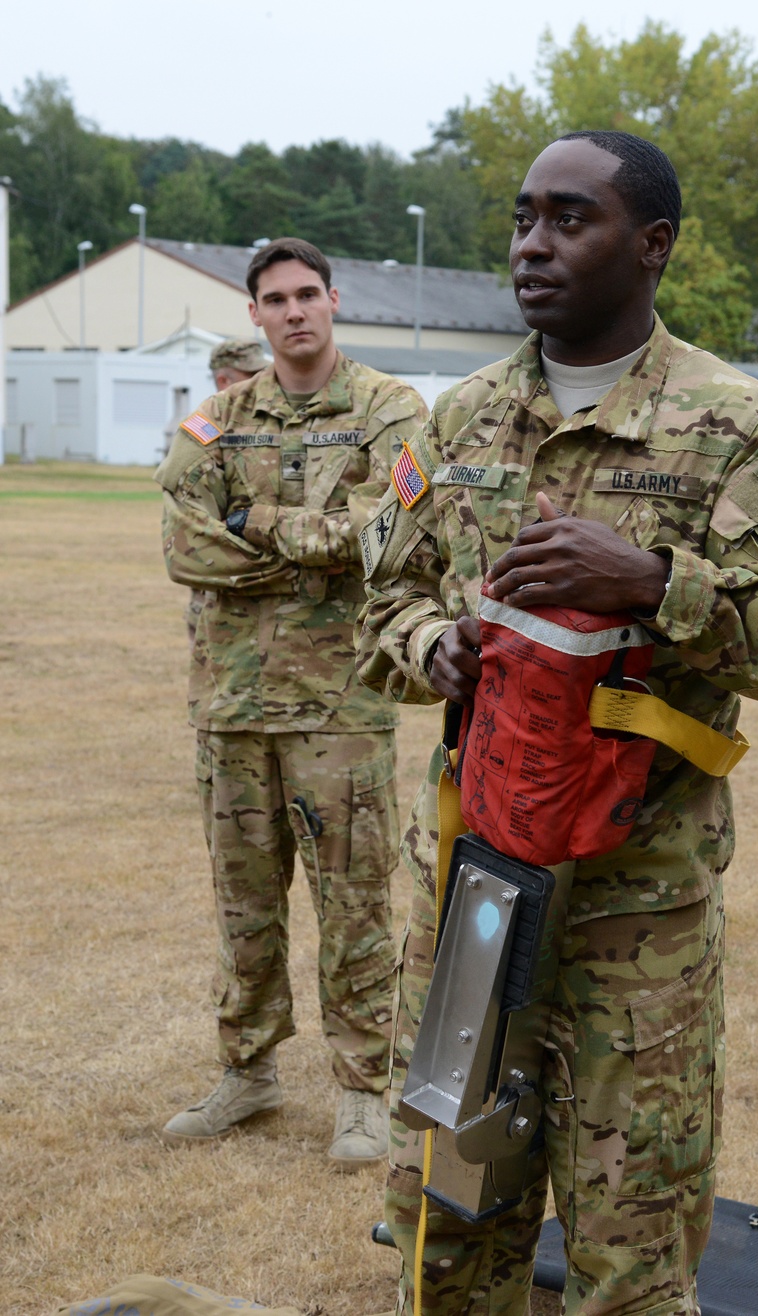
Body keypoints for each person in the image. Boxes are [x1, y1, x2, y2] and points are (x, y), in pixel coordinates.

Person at [356, 132, 758, 1313]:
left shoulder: (735, 426)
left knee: (626, 1245)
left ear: (652, 246)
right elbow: (386, 598)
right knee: (449, 1217)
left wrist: (653, 580)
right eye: (525, 217)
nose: (533, 245)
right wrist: (437, 645)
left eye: (570, 218)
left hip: (635, 918)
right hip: (471, 892)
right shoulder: (464, 418)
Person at [155, 237, 428, 1168]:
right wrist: (320, 545)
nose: (295, 311)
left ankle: (363, 1091)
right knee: (244, 902)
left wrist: (258, 523)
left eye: (309, 293)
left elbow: (388, 535)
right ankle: (248, 1071)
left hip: (341, 706)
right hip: (231, 705)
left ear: (335, 300)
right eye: (276, 299)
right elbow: (186, 548)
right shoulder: (213, 422)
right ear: (255, 315)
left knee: (352, 902)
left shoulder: (392, 410)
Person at [184, 339, 270, 648]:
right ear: (225, 380)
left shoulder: (259, 424)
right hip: (219, 585)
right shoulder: (204, 428)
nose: (265, 381)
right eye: (253, 373)